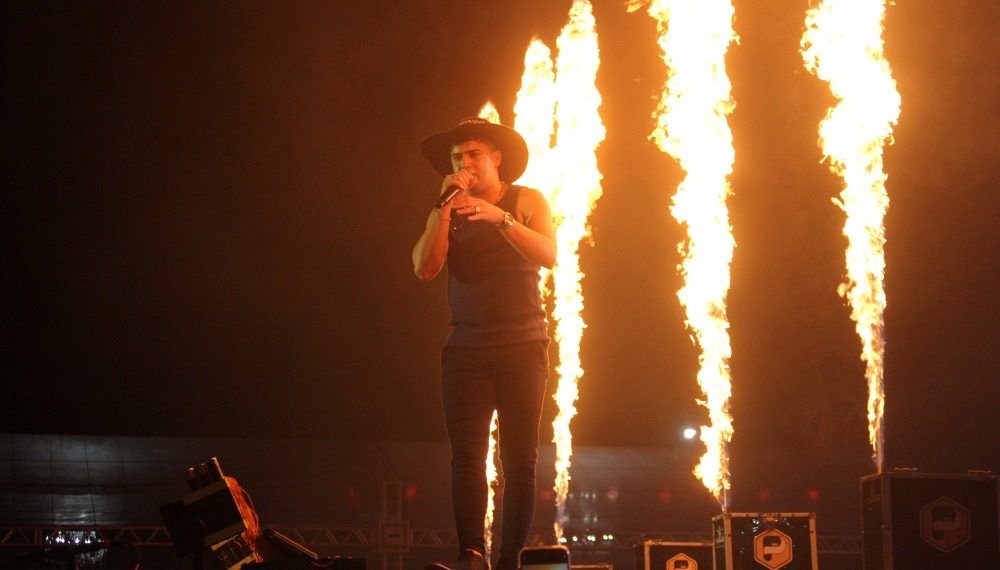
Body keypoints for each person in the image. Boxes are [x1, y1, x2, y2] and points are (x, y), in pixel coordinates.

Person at [412, 117, 556, 570]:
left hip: (522, 346)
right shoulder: (446, 209)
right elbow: (424, 268)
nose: (465, 163)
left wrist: (501, 219)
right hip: (466, 351)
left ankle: (510, 557)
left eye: (473, 153)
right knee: (467, 457)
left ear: (496, 158)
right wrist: (443, 210)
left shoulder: (525, 199)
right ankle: (472, 553)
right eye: (457, 157)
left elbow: (548, 254)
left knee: (519, 461)